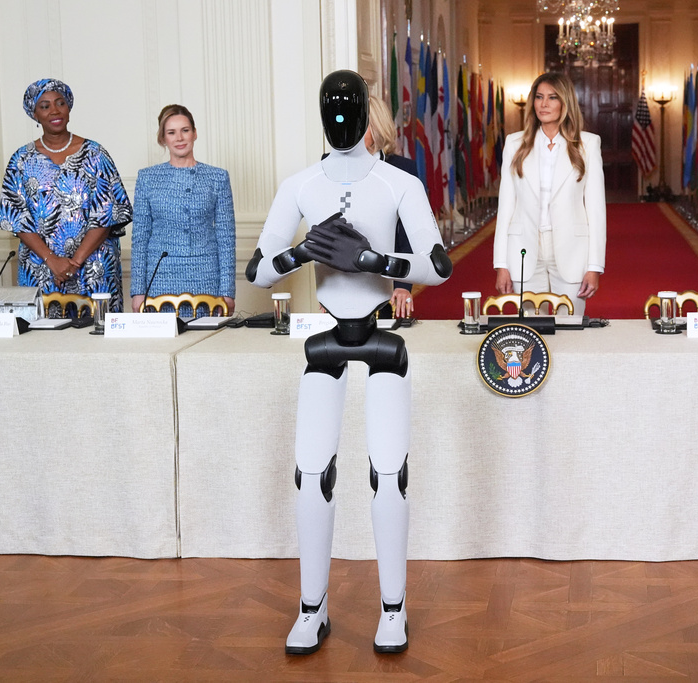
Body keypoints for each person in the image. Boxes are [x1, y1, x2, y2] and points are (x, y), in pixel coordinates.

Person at [246, 70, 451, 655]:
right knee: (312, 476)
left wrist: (372, 259)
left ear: (365, 111)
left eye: (348, 106)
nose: (341, 117)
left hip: (380, 335)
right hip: (328, 337)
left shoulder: (397, 184)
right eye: (331, 107)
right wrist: (302, 252)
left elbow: (437, 265)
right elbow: (258, 270)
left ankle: (394, 607)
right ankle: (312, 607)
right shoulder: (301, 185)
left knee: (389, 474)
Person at [0, 78, 132, 312]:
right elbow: (16, 218)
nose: (55, 111)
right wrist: (52, 260)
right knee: (42, 342)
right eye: (45, 106)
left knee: (98, 341)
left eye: (60, 103)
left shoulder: (96, 154)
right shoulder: (21, 160)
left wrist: (74, 262)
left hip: (93, 267)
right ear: (34, 114)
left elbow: (107, 213)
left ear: (69, 108)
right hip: (40, 268)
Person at [493, 71, 606, 316]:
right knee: (532, 332)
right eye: (539, 97)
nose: (544, 104)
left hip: (572, 250)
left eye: (552, 98)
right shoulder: (514, 144)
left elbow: (596, 211)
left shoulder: (588, 144)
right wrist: (501, 264)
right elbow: (506, 209)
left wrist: (594, 266)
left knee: (570, 328)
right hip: (523, 250)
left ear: (565, 103)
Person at [131, 104, 237, 315]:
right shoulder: (147, 178)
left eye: (185, 130)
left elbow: (226, 237)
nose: (179, 138)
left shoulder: (217, 177)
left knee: (206, 343)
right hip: (160, 278)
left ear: (194, 133)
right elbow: (140, 238)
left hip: (206, 276)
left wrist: (228, 290)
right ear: (163, 139)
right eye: (171, 132)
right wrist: (137, 291)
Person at [365, 95, 418, 319]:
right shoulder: (330, 166)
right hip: (345, 282)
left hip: (387, 279)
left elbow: (408, 232)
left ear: (377, 127)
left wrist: (403, 283)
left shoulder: (402, 169)